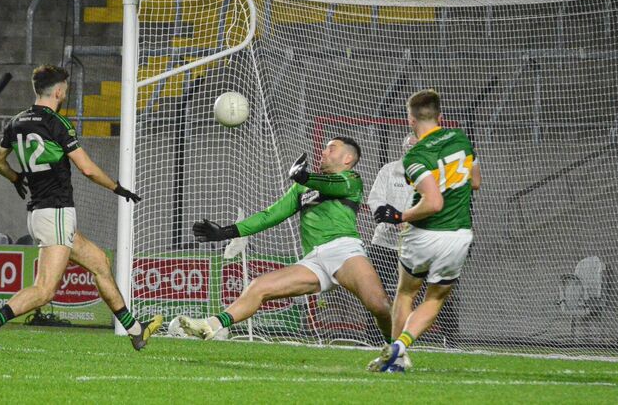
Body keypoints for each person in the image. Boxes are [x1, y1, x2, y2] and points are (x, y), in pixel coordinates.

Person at [0, 64, 162, 357]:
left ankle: (136, 331)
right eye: (66, 88)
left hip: (40, 213)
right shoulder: (57, 124)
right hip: (57, 212)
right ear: (59, 91)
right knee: (45, 290)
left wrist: (16, 179)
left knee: (100, 262)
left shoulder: (15, 122)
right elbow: (87, 169)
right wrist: (117, 188)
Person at [176, 137, 393, 344]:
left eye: (331, 148)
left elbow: (331, 185)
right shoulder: (303, 188)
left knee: (380, 306)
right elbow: (271, 215)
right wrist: (226, 232)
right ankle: (210, 325)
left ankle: (395, 348)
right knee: (259, 286)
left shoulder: (351, 180)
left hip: (344, 252)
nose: (324, 152)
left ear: (347, 159)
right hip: (313, 260)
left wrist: (305, 177)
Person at [368, 89, 481, 373]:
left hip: (422, 234)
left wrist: (399, 215)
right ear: (440, 116)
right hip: (457, 235)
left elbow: (433, 202)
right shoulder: (461, 139)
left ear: (410, 120)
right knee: (435, 297)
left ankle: (396, 359)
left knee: (406, 293)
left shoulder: (415, 157)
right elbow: (475, 182)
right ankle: (402, 345)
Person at [366, 135, 417, 301]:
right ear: (403, 148)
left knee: (422, 295)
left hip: (417, 245)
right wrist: (395, 219)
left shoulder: (433, 175)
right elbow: (375, 200)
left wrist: (413, 222)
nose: (413, 149)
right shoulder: (388, 170)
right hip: (385, 242)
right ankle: (374, 328)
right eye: (410, 145)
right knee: (375, 292)